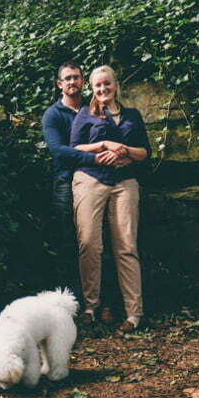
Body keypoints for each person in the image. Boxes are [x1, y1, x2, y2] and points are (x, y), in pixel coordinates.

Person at [41, 62, 126, 322]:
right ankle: (69, 307)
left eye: (76, 78)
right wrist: (95, 158)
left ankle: (105, 304)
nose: (72, 82)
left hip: (99, 179)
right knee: (72, 243)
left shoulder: (97, 109)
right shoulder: (53, 115)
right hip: (66, 182)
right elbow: (59, 151)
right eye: (66, 79)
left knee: (107, 243)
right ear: (59, 84)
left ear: (83, 81)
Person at [70, 65, 151, 331]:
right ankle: (90, 307)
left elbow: (144, 153)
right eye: (97, 86)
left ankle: (134, 314)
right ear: (91, 89)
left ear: (115, 85)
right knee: (90, 244)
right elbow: (75, 148)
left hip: (124, 181)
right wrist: (104, 144)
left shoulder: (132, 116)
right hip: (90, 179)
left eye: (107, 84)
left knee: (126, 246)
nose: (103, 89)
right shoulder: (85, 114)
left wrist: (124, 150)